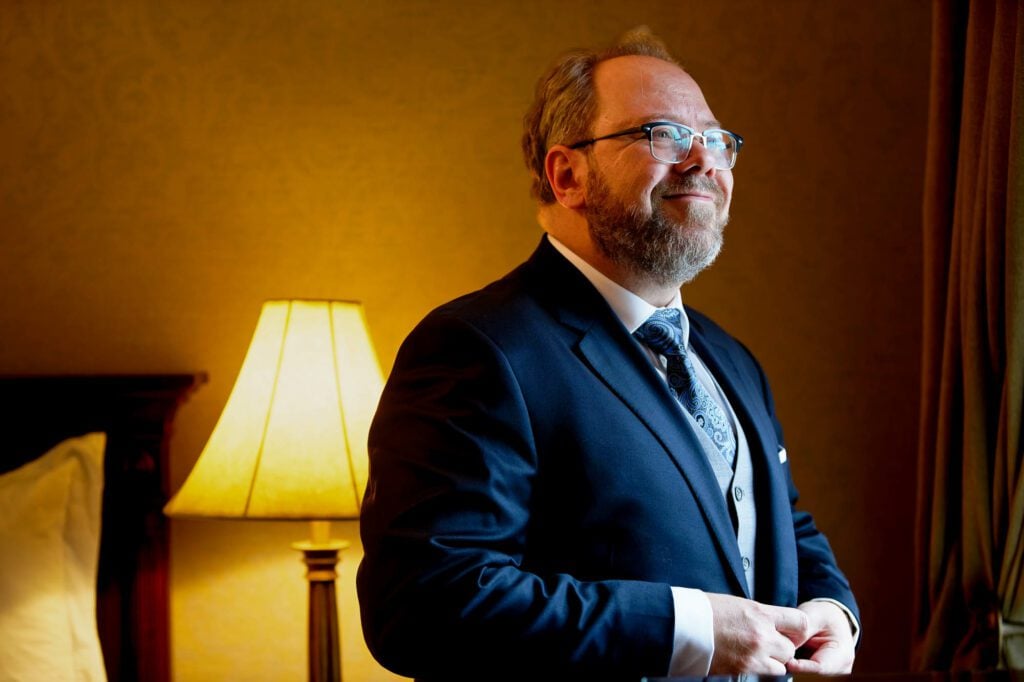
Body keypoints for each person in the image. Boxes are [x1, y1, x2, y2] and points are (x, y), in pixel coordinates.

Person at [357, 28, 859, 680]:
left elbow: (784, 524)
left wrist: (832, 612)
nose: (703, 159)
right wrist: (695, 633)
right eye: (664, 134)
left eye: (714, 138)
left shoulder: (731, 359)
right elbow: (426, 602)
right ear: (568, 175)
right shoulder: (476, 348)